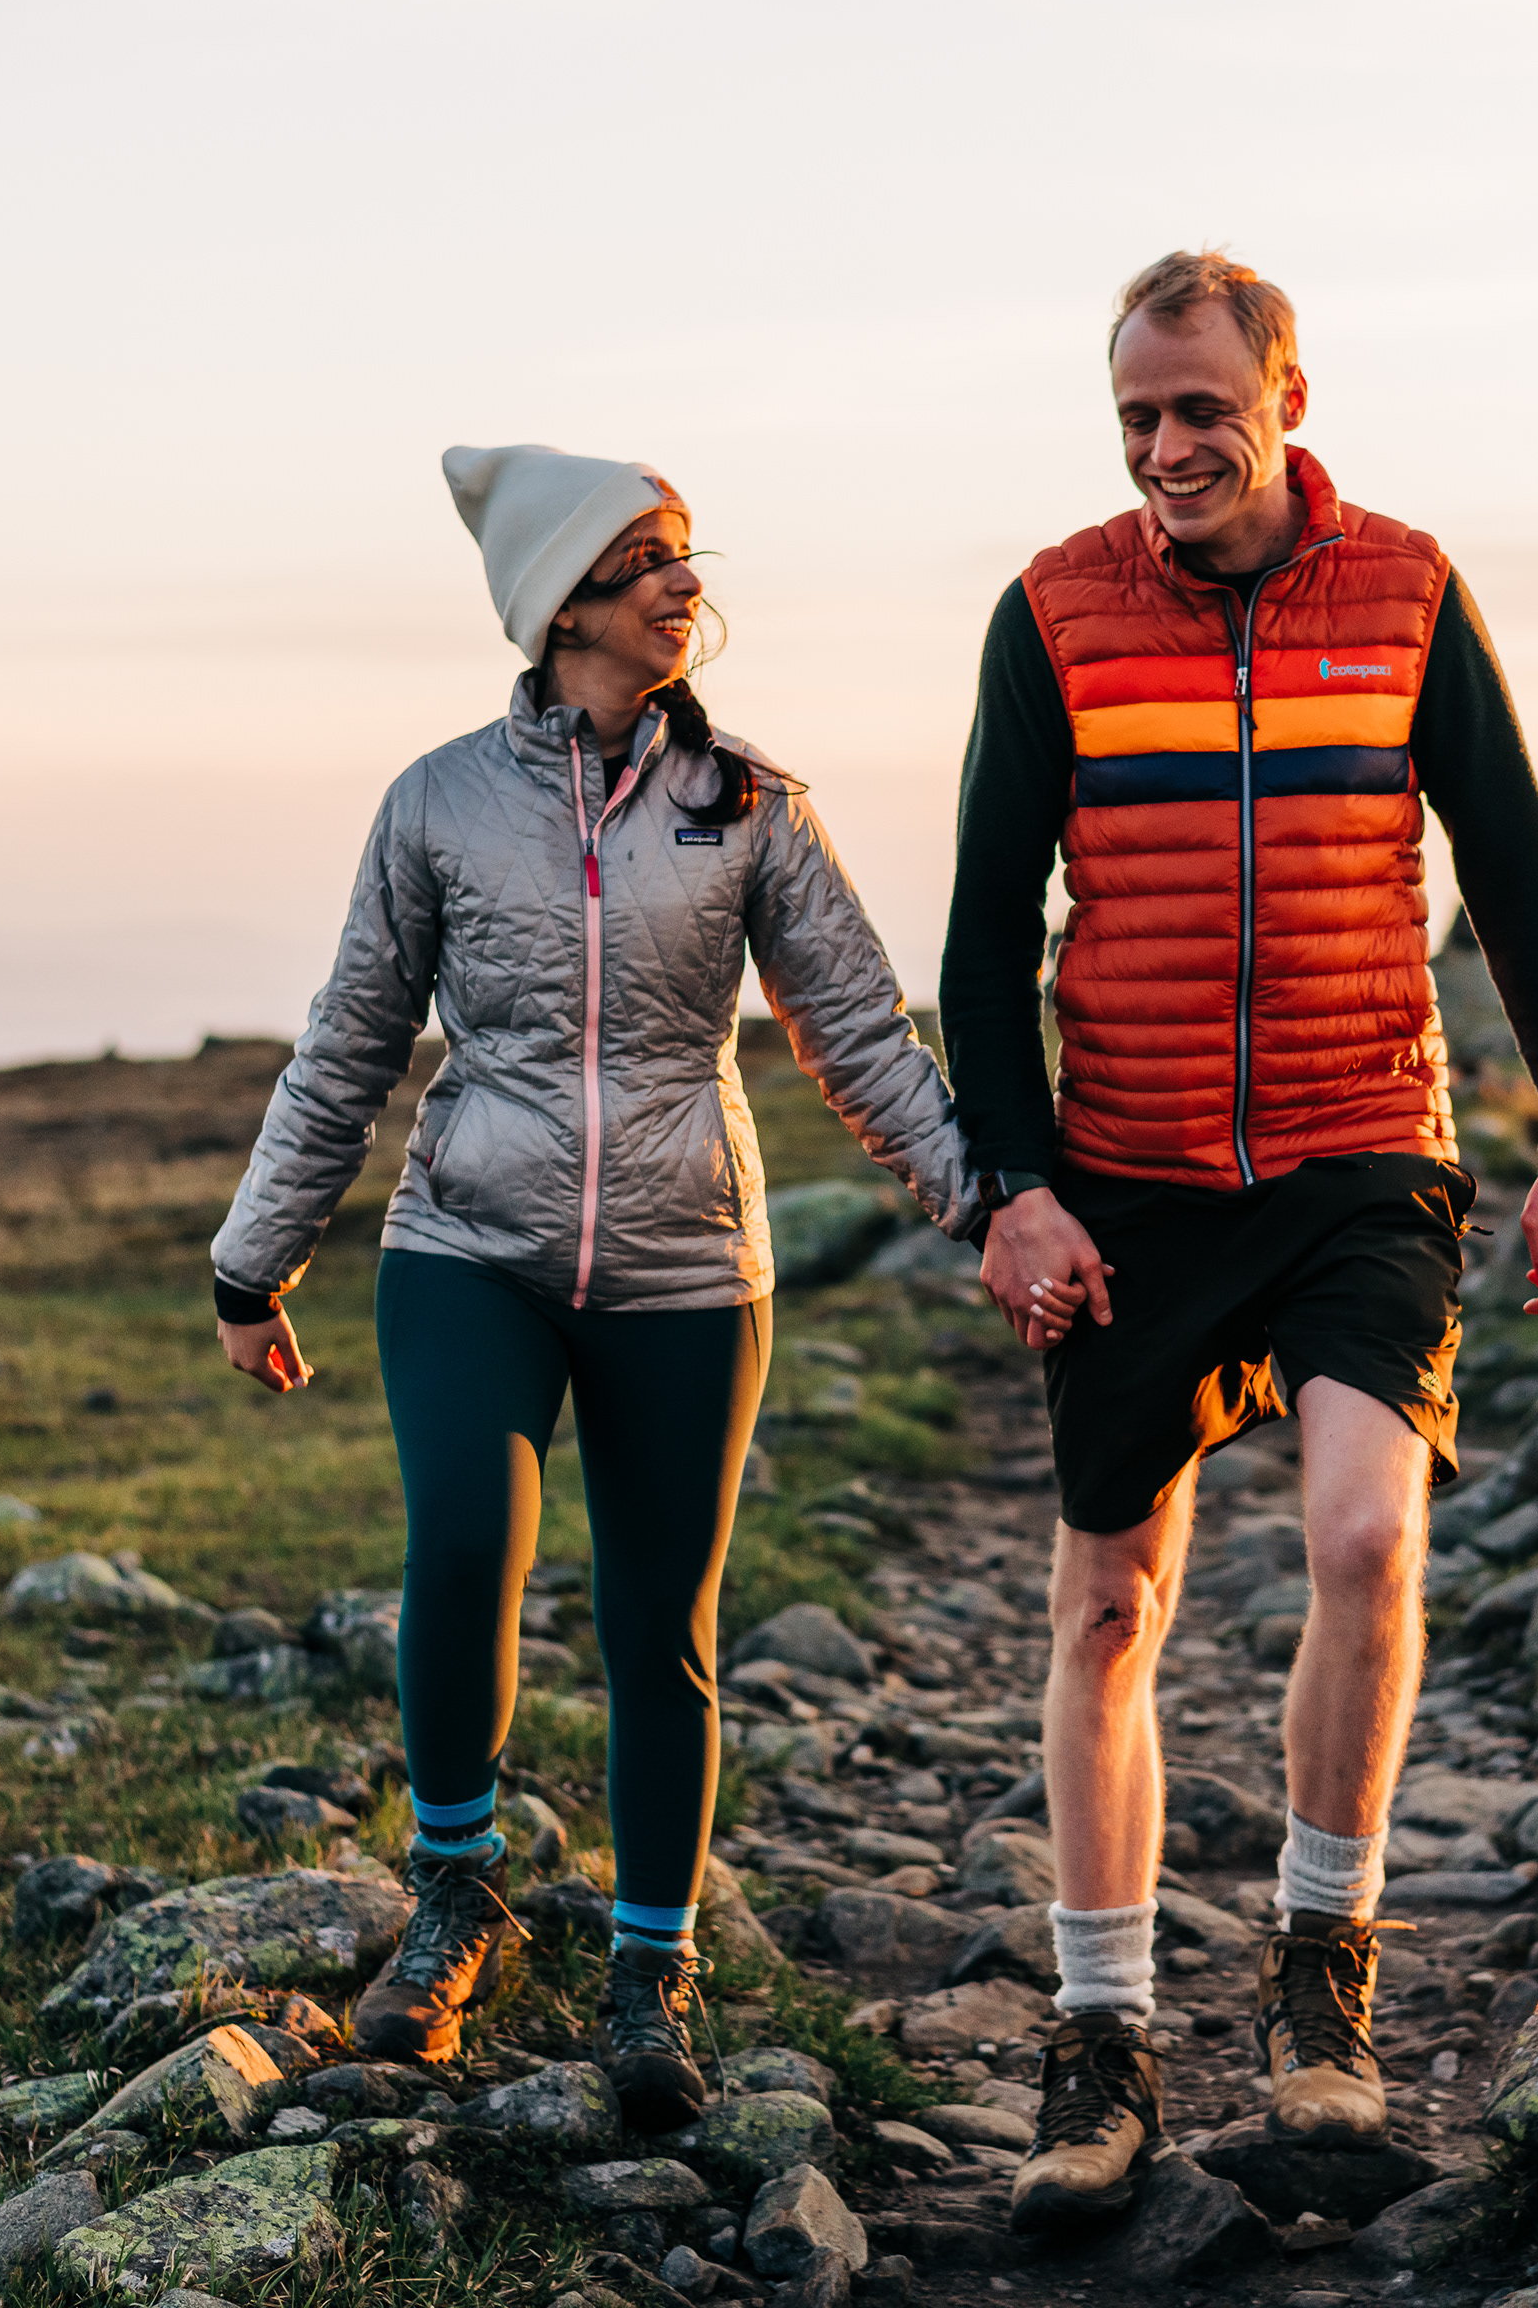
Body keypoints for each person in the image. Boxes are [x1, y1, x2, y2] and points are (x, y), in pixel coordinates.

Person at [939, 252, 1538, 2230]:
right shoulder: (1053, 612)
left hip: (1358, 1150)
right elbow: (984, 932)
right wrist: (1016, 1186)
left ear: (1288, 398)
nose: (1165, 448)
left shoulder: (1405, 590)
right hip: (1131, 1173)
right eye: (1135, 417)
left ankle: (1324, 1981)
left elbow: (1516, 872)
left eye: (1198, 410)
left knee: (1366, 1538)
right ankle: (1101, 2039)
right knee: (1110, 1607)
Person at [208, 444, 980, 2130]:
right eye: (646, 560)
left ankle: (651, 1971)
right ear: (561, 604)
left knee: (659, 1625)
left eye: (689, 555)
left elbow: (858, 1032)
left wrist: (988, 1208)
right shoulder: (435, 805)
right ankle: (457, 1893)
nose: (684, 584)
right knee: (464, 1549)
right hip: (467, 1250)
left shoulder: (751, 804)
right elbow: (350, 1043)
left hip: (688, 1265)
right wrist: (255, 1259)